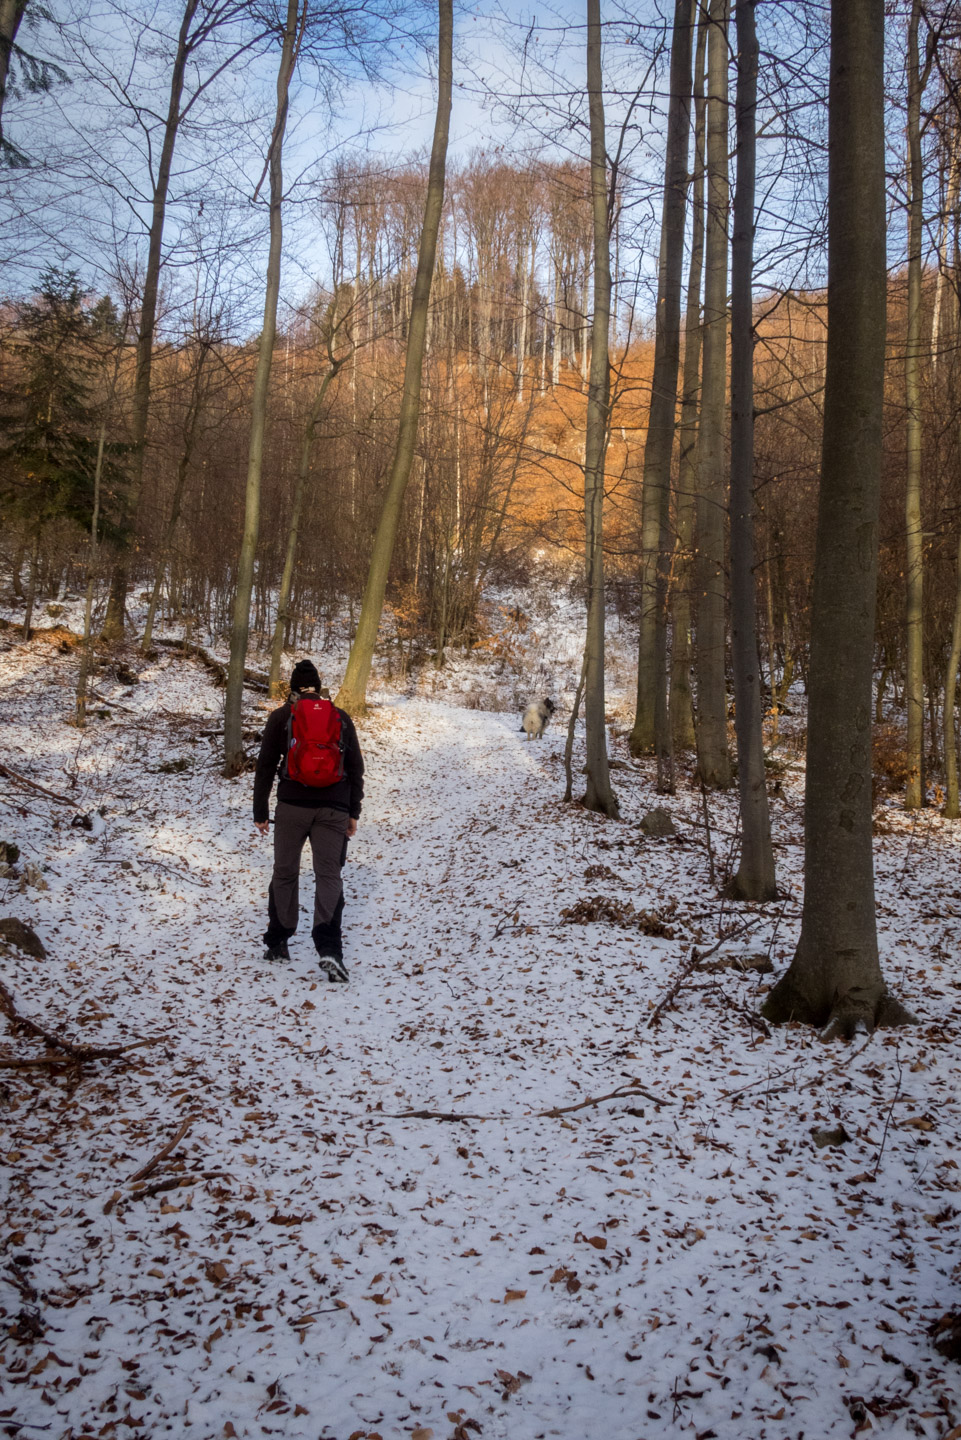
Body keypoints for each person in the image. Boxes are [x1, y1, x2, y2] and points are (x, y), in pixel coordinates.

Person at [253, 660, 364, 981]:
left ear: (292, 688)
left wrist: (260, 811)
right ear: (318, 686)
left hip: (291, 806)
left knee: (285, 873)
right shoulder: (340, 717)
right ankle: (329, 948)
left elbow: (264, 767)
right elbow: (356, 768)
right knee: (329, 875)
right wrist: (353, 811)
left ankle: (278, 943)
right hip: (334, 807)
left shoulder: (280, 717)